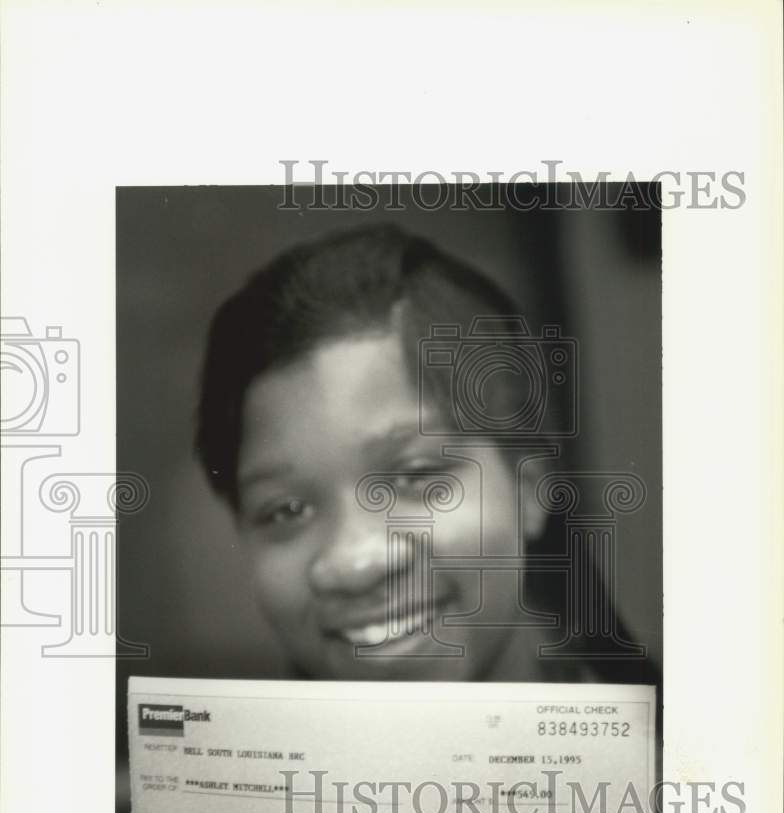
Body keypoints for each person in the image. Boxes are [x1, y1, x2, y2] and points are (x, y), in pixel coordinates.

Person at [195, 222, 657, 688]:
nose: (355, 563)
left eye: (415, 477)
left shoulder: (687, 755)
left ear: (529, 488)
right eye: (287, 509)